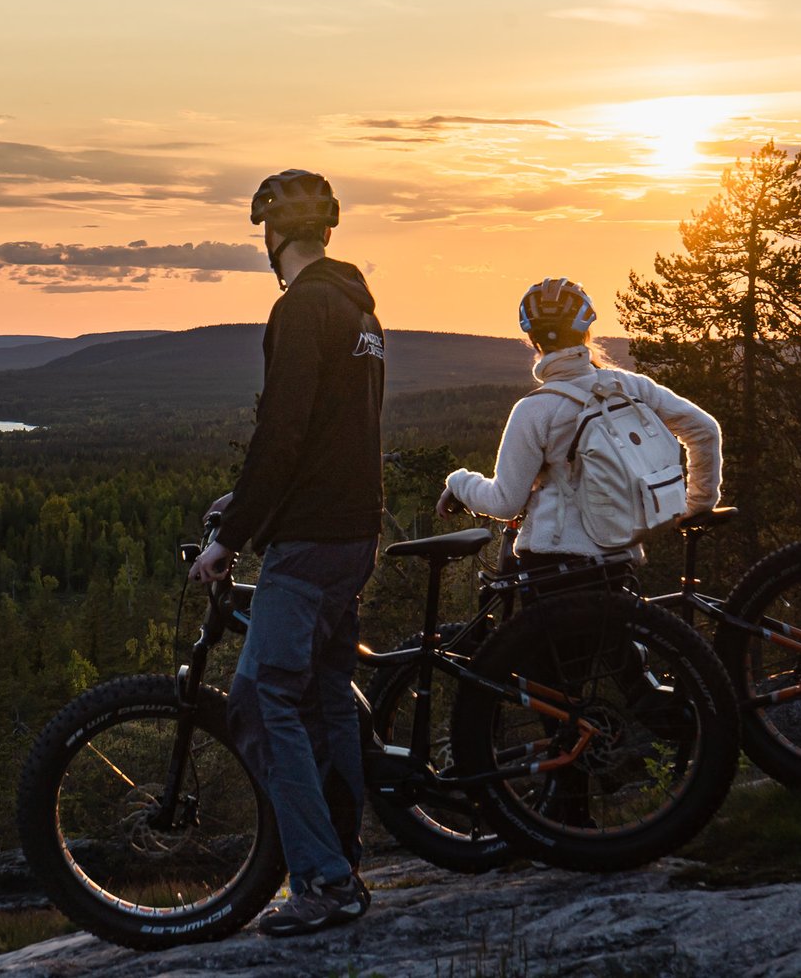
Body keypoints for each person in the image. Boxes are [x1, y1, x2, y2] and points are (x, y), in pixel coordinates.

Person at [187, 169, 385, 937]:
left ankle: (325, 882)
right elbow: (334, 435)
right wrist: (246, 506)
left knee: (262, 701)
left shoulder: (300, 308)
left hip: (309, 543)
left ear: (271, 235)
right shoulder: (359, 309)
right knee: (324, 700)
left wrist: (229, 538)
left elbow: (284, 434)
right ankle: (342, 861)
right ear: (327, 230)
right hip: (353, 531)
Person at [437, 277, 722, 577]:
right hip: (618, 561)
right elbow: (704, 430)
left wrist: (459, 483)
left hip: (552, 565)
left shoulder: (534, 409)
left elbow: (505, 503)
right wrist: (696, 506)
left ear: (533, 339)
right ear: (586, 332)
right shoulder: (630, 387)